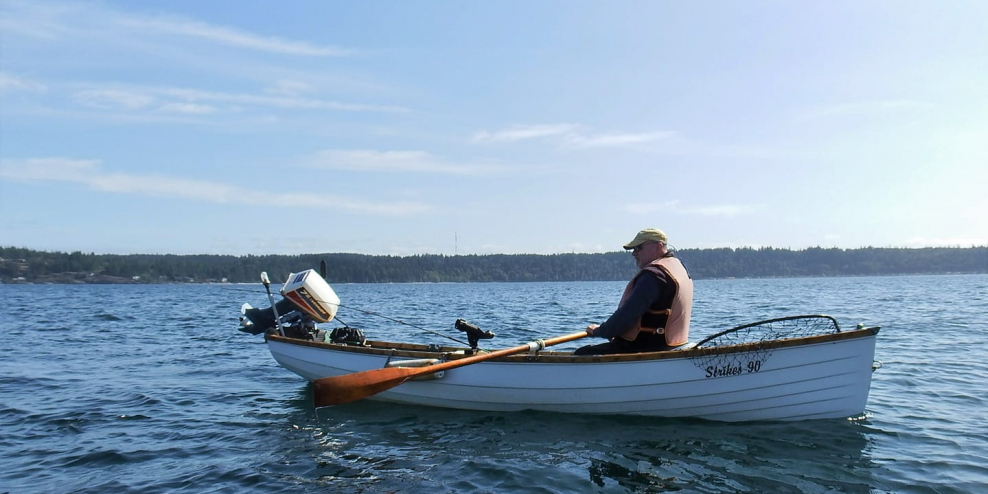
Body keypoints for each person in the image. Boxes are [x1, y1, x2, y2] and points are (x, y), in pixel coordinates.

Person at [574, 228, 694, 355]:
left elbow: (627, 315)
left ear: (658, 246)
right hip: (673, 345)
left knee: (582, 353)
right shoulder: (678, 268)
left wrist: (600, 331)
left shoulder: (654, 275)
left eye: (638, 248)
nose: (634, 253)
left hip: (645, 348)